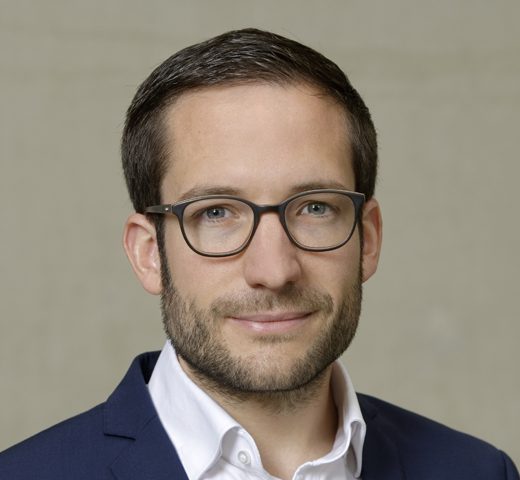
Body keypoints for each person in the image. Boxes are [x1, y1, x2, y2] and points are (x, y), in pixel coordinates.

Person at [0, 27, 517, 480]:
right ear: (149, 253)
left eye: (315, 207)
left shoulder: (478, 472)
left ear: (369, 238)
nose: (274, 270)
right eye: (216, 212)